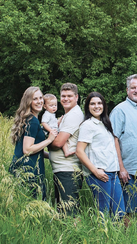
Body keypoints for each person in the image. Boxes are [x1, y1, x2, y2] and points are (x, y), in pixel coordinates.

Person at [76, 92, 125, 218]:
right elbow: (79, 151)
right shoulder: (88, 125)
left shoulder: (105, 123)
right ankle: (103, 237)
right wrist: (95, 171)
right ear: (87, 107)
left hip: (113, 172)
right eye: (92, 104)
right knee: (103, 213)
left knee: (119, 212)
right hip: (99, 174)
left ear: (103, 105)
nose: (96, 106)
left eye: (99, 103)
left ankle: (117, 237)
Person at [110, 74, 137, 214]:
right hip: (130, 172)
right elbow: (113, 139)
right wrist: (121, 168)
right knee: (129, 211)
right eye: (133, 87)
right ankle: (127, 235)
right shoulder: (119, 110)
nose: (136, 90)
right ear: (127, 90)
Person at [9, 87, 57, 199]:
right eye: (35, 99)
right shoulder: (33, 121)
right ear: (28, 101)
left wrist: (50, 156)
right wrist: (49, 140)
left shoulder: (28, 119)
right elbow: (27, 150)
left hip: (20, 166)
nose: (39, 101)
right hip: (28, 169)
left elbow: (31, 148)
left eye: (41, 98)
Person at [49, 83, 84, 216]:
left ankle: (77, 235)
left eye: (70, 96)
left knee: (70, 212)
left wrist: (47, 142)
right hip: (62, 169)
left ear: (76, 97)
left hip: (68, 170)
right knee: (63, 211)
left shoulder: (74, 115)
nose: (66, 99)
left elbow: (58, 143)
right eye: (63, 96)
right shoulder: (67, 115)